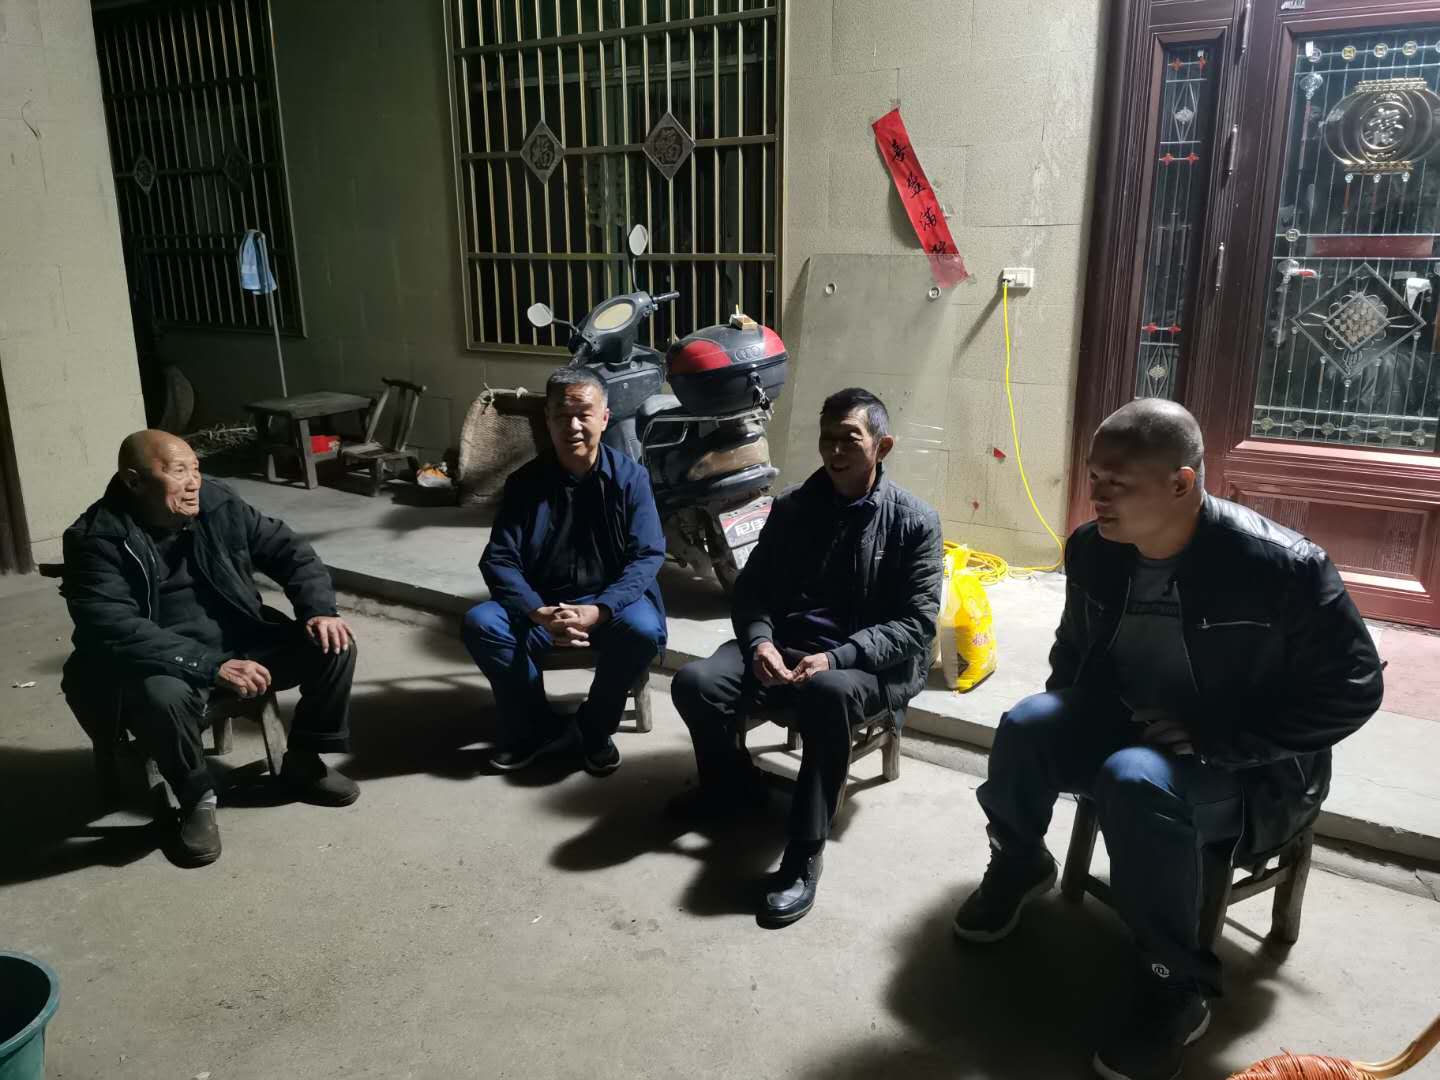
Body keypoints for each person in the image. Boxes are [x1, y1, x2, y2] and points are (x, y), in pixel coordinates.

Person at [952, 399, 1383, 1080]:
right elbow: (1074, 650)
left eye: (1117, 483)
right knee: (1027, 724)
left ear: (1181, 483)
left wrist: (1221, 739)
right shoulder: (1094, 550)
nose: (1097, 496)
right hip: (1130, 722)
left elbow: (1356, 689)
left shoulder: (1282, 566)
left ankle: (1177, 986)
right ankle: (1019, 862)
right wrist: (1068, 721)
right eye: (1094, 478)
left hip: (1248, 765)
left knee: (1133, 778)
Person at [671, 388, 943, 928]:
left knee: (825, 694)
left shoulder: (915, 521)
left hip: (861, 665)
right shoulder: (793, 507)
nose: (835, 451)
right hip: (785, 647)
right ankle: (733, 787)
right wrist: (760, 642)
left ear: (882, 445)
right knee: (695, 682)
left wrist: (838, 657)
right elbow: (752, 591)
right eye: (827, 438)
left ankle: (803, 850)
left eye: (850, 439)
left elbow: (918, 624)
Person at [62, 430, 360, 868]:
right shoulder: (97, 538)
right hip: (162, 657)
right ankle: (196, 795)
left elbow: (289, 550)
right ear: (134, 481)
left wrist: (319, 609)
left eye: (196, 469)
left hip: (241, 636)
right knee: (161, 696)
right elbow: (113, 626)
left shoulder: (218, 503)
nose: (193, 483)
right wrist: (211, 665)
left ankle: (303, 758)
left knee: (334, 645)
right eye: (177, 471)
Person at [462, 368, 666, 777]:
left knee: (644, 630)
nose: (572, 426)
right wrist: (538, 612)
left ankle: (594, 728)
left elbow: (647, 555)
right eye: (561, 415)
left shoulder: (631, 479)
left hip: (609, 605)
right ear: (547, 419)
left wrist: (600, 610)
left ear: (604, 418)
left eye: (583, 414)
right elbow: (499, 559)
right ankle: (534, 726)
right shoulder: (525, 483)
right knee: (482, 624)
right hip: (542, 605)